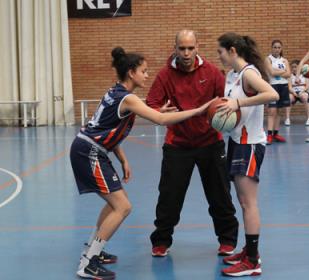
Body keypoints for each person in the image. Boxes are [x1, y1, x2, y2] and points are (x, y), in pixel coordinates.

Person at [70, 47, 213, 279]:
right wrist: (198, 110)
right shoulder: (128, 98)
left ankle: (93, 249)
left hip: (90, 149)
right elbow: (160, 119)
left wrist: (124, 160)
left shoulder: (117, 93)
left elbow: (110, 127)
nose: (147, 75)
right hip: (89, 152)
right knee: (122, 207)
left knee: (114, 203)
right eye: (144, 71)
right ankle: (87, 263)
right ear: (131, 73)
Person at [146, 30, 239, 257]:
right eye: (182, 48)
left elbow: (227, 98)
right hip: (177, 144)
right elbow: (151, 105)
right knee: (169, 196)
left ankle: (227, 239)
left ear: (198, 46)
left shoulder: (212, 72)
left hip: (210, 142)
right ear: (175, 48)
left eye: (190, 48)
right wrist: (159, 111)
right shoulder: (165, 75)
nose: (186, 53)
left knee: (220, 194)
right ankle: (161, 241)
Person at [216, 32, 279, 277]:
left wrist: (237, 104)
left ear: (232, 51)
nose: (219, 56)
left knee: (248, 202)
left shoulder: (248, 73)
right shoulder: (232, 75)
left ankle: (252, 261)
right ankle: (248, 250)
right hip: (236, 141)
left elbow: (271, 94)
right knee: (243, 202)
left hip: (250, 144)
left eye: (220, 52)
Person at [264, 40, 291, 145]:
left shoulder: (285, 60)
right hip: (273, 86)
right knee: (272, 112)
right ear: (271, 48)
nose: (277, 49)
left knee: (279, 111)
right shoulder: (268, 59)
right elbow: (271, 72)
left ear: (281, 49)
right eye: (275, 47)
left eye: (279, 47)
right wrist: (283, 72)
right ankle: (269, 135)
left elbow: (289, 74)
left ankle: (275, 134)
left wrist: (278, 72)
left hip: (283, 86)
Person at [285, 59, 309, 126]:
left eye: (296, 67)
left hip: (302, 92)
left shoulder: (305, 74)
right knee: (289, 98)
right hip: (293, 93)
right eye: (293, 67)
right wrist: (294, 93)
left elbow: (308, 86)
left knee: (305, 97)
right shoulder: (290, 76)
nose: (294, 69)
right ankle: (287, 118)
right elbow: (290, 87)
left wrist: (302, 91)